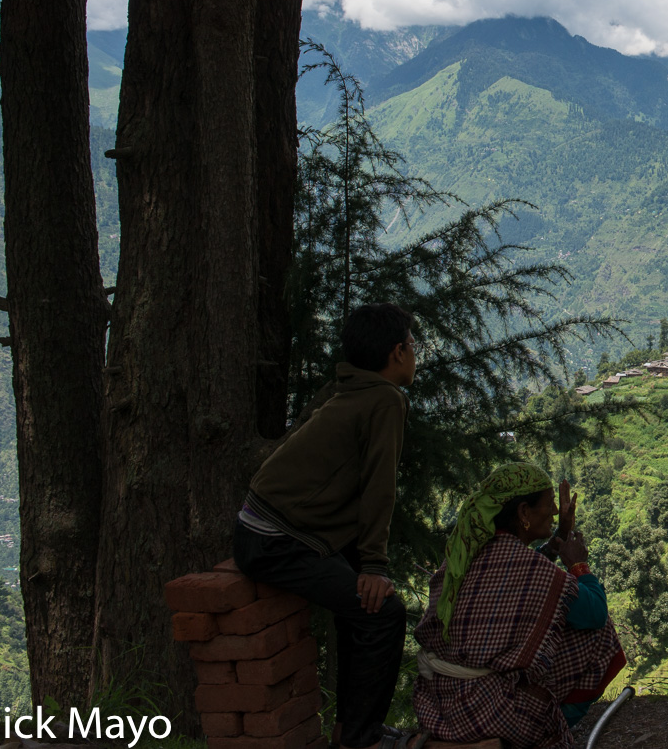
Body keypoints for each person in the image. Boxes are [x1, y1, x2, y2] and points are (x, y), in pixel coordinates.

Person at [233, 303, 416, 749]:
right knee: (383, 614)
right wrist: (373, 565)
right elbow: (378, 487)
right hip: (277, 541)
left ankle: (347, 730)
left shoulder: (352, 387)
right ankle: (361, 738)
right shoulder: (386, 399)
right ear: (396, 352)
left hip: (264, 526)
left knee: (362, 608)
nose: (415, 355)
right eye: (412, 346)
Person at [413, 463, 625, 749]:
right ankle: (533, 732)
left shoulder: (464, 555)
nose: (553, 511)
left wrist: (558, 536)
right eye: (550, 504)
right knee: (602, 636)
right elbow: (595, 612)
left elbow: (524, 572)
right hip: (487, 709)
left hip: (438, 702)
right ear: (524, 512)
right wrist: (578, 565)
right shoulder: (529, 568)